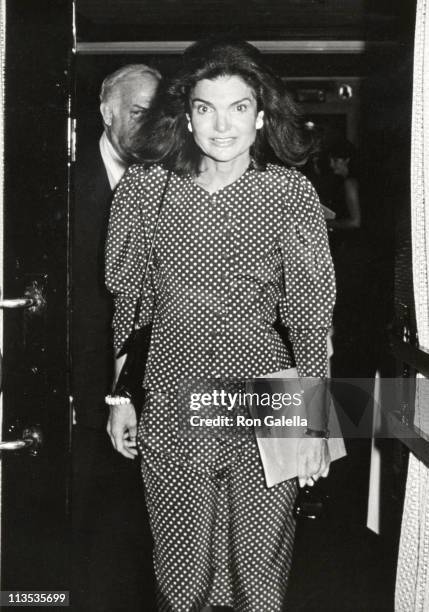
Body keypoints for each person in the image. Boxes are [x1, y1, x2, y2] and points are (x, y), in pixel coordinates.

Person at [105, 39, 335, 612]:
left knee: (259, 583)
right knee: (185, 585)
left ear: (260, 117)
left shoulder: (288, 193)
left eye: (238, 107)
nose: (221, 125)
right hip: (170, 400)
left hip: (267, 400)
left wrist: (314, 430)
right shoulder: (145, 189)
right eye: (206, 108)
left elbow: (310, 315)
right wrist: (119, 398)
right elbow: (130, 302)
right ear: (186, 116)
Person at [72, 64, 161, 612]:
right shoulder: (60, 178)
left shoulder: (169, 180)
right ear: (105, 113)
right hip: (77, 375)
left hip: (147, 377)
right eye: (137, 113)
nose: (150, 127)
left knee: (140, 524)